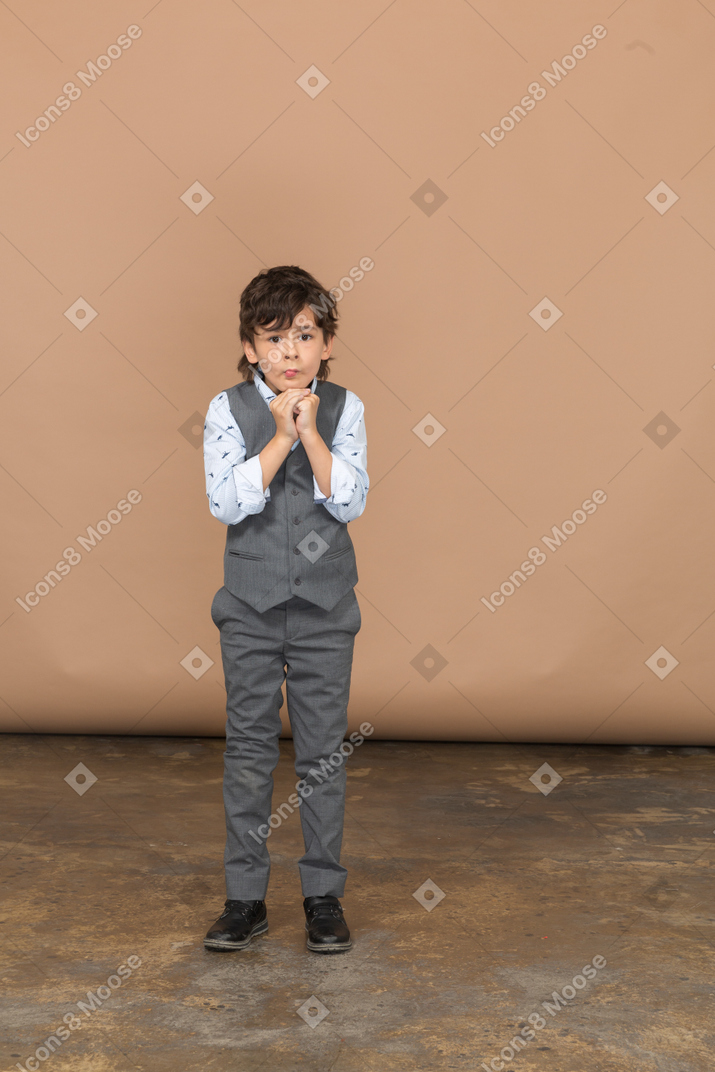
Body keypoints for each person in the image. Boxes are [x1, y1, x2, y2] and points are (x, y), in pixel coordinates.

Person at [202, 265, 368, 954]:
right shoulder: (225, 409)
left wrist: (310, 434)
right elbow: (226, 503)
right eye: (273, 338)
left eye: (304, 335)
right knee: (247, 751)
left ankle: (322, 895)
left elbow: (349, 499)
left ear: (326, 343)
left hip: (326, 607)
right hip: (249, 605)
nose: (289, 352)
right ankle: (245, 899)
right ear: (249, 348)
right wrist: (276, 436)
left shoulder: (346, 407)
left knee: (322, 756)